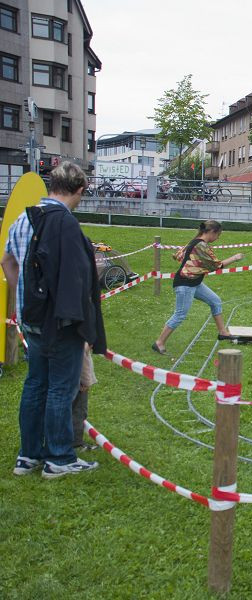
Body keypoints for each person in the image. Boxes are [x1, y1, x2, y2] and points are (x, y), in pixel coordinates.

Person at [1, 161, 106, 478]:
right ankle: (59, 458)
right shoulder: (65, 224)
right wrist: (83, 326)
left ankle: (29, 455)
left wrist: (24, 298)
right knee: (61, 389)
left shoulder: (25, 217)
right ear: (80, 190)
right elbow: (75, 279)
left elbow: (7, 260)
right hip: (59, 322)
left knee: (35, 386)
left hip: (30, 320)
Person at [152, 220, 244, 355]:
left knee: (215, 301)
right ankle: (159, 343)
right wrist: (235, 258)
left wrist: (194, 265)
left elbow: (178, 255)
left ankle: (223, 332)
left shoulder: (195, 241)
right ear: (212, 232)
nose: (217, 238)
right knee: (180, 314)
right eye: (218, 235)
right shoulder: (200, 245)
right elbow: (216, 265)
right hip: (185, 284)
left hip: (194, 282)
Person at [72, 343, 98, 451]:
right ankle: (76, 443)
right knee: (78, 410)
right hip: (78, 381)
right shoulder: (83, 341)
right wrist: (86, 381)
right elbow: (82, 357)